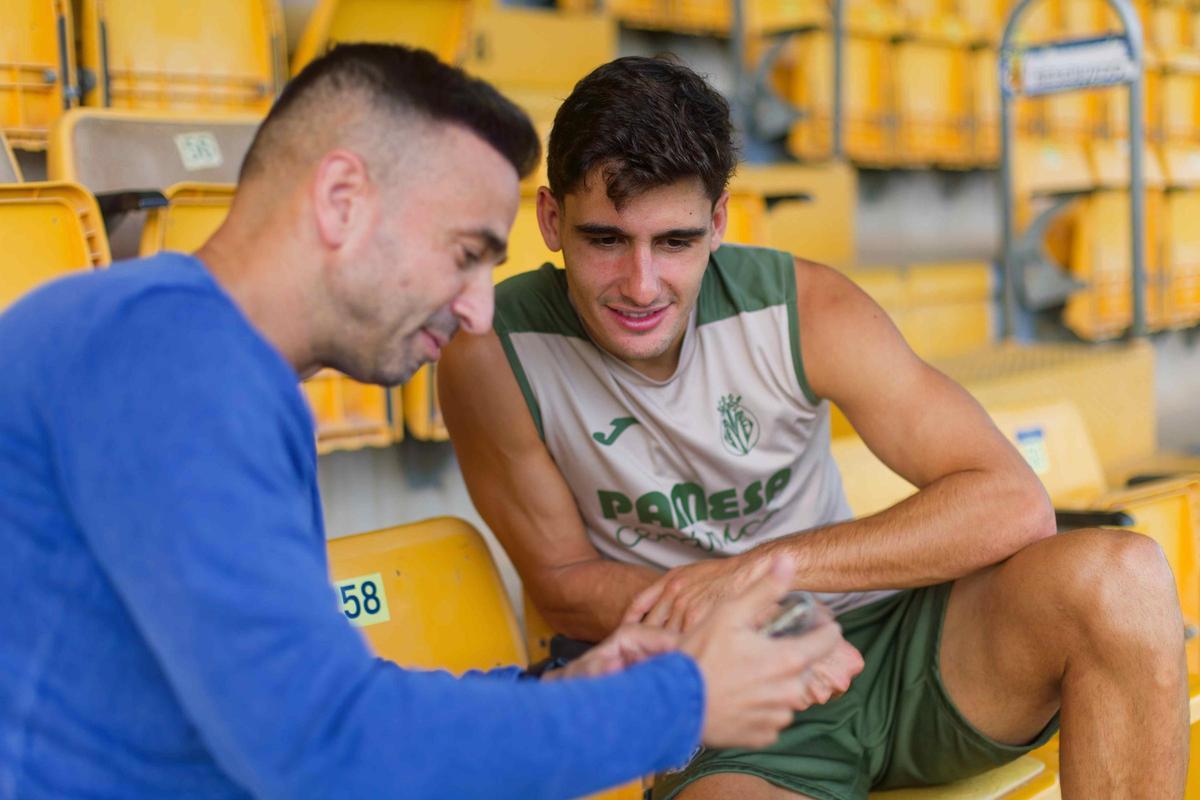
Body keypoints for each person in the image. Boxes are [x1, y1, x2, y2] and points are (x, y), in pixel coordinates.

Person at [0, 44, 859, 799]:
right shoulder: (163, 359)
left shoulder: (203, 357)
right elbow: (322, 749)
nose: (481, 312)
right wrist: (683, 698)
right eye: (464, 255)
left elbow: (309, 710)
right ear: (341, 200)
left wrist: (579, 691)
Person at [439, 55, 1190, 799]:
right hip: (721, 687)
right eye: (606, 240)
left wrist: (766, 576)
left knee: (1124, 579)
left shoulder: (807, 308)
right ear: (550, 220)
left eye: (675, 242)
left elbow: (1010, 502)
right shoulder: (490, 357)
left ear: (720, 223)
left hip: (898, 649)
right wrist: (758, 616)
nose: (641, 284)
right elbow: (564, 584)